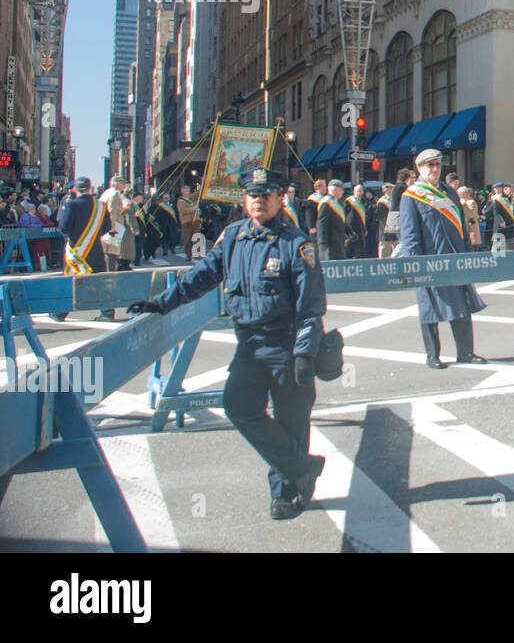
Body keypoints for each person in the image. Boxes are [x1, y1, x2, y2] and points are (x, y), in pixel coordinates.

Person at [127, 168, 327, 521]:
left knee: (292, 420)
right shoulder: (233, 237)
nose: (258, 201)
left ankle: (284, 492)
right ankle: (302, 468)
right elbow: (202, 275)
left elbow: (310, 305)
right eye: (252, 195)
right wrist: (163, 302)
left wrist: (306, 351)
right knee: (238, 406)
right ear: (244, 199)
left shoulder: (298, 244)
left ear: (281, 198)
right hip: (249, 343)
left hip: (286, 344)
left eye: (266, 195)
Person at [400, 148, 486, 367]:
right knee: (429, 310)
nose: (435, 169)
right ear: (419, 168)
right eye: (430, 165)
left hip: (454, 258)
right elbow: (410, 235)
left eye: (438, 165)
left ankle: (466, 353)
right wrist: (416, 262)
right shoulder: (411, 196)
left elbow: (462, 228)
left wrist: (467, 255)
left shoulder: (449, 192)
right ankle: (432, 356)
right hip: (429, 261)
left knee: (462, 307)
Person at [55, 177, 114, 320]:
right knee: (100, 281)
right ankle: (107, 312)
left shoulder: (72, 205)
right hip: (95, 250)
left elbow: (64, 228)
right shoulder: (100, 205)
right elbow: (107, 227)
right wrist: (94, 234)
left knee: (70, 280)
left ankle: (61, 312)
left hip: (76, 250)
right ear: (90, 188)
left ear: (75, 189)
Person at [315, 180, 350, 261]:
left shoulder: (337, 202)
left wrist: (349, 232)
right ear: (335, 190)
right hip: (331, 240)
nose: (343, 192)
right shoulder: (326, 202)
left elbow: (341, 220)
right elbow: (321, 223)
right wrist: (322, 241)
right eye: (341, 189)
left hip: (339, 238)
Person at [485, 182, 514, 250]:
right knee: (498, 247)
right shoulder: (498, 199)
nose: (511, 191)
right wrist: (501, 221)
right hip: (501, 226)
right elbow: (496, 212)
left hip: (509, 225)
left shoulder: (508, 198)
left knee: (509, 244)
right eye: (510, 189)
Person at [345, 183, 368, 258]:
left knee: (360, 248)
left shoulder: (364, 201)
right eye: (357, 191)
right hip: (350, 227)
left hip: (360, 227)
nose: (359, 193)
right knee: (347, 247)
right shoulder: (349, 201)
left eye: (360, 191)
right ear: (354, 192)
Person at [458, 185, 483, 250]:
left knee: (473, 248)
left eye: (464, 193)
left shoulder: (471, 202)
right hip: (464, 227)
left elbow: (473, 215)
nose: (462, 195)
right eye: (461, 193)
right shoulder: (461, 202)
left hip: (471, 228)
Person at [177, 185, 200, 254]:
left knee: (197, 238)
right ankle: (188, 254)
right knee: (187, 239)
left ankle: (198, 253)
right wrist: (192, 209)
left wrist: (203, 182)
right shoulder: (180, 201)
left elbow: (200, 192)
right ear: (182, 192)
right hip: (187, 222)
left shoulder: (192, 198)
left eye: (188, 191)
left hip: (195, 220)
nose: (187, 193)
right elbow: (183, 210)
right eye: (185, 191)